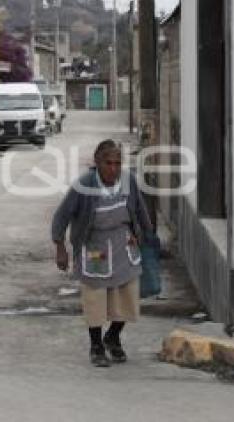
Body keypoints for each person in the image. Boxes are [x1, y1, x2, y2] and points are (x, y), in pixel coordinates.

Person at [51, 139, 153, 367]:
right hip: (94, 246)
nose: (114, 169)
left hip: (124, 242)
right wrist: (60, 247)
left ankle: (113, 337)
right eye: (109, 163)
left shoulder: (128, 181)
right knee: (95, 297)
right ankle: (96, 346)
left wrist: (147, 235)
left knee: (128, 295)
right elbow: (62, 216)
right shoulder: (84, 185)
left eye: (118, 163)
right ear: (97, 163)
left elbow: (140, 209)